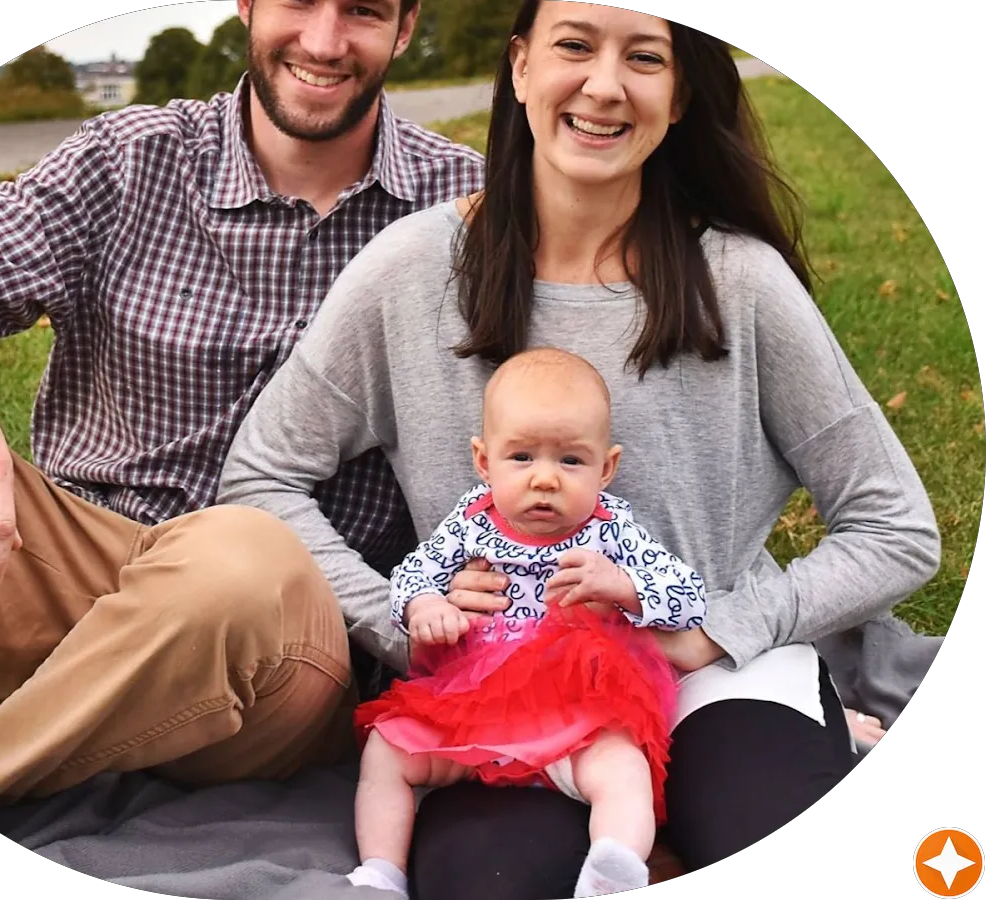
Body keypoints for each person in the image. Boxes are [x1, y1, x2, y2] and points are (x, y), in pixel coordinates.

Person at [215, 3, 943, 898]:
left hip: (713, 677)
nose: (604, 86)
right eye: (574, 46)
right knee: (489, 884)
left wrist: (719, 631)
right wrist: (403, 621)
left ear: (679, 97)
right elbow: (262, 474)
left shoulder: (740, 282)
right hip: (508, 686)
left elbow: (896, 527)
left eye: (645, 58)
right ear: (520, 67)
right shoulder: (413, 272)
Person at [0, 0, 486, 816]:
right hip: (80, 599)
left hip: (289, 656)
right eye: (299, 0)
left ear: (406, 27)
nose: (325, 41)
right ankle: (39, 744)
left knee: (244, 554)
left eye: (362, 10)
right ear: (248, 5)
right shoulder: (131, 158)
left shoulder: (464, 205)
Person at [345, 347, 705, 898]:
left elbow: (688, 597)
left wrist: (623, 586)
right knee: (386, 750)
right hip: (471, 704)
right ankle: (381, 871)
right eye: (521, 457)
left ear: (606, 468)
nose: (545, 479)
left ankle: (613, 867)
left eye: (571, 461)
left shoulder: (611, 530)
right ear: (483, 460)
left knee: (622, 765)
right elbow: (413, 573)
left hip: (572, 711)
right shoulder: (471, 521)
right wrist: (426, 607)